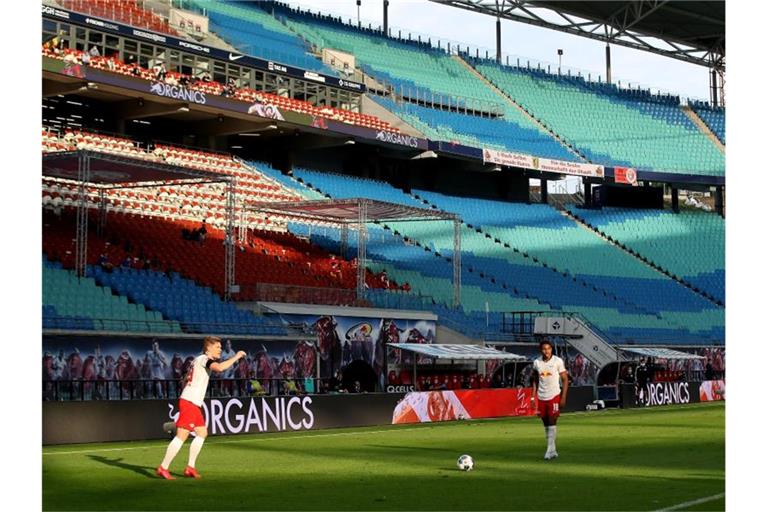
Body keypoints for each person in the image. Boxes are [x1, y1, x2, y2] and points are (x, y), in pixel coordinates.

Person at [157, 336, 246, 480]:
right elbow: (220, 368)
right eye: (218, 347)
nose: (220, 350)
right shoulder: (205, 359)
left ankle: (190, 467)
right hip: (190, 402)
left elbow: (187, 377)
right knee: (182, 436)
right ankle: (163, 467)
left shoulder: (198, 360)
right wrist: (237, 356)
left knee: (202, 433)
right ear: (209, 348)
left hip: (192, 402)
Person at [530, 339, 568, 460]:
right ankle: (553, 450)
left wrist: (563, 396)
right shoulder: (537, 362)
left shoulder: (558, 361)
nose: (547, 351)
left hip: (554, 395)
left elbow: (565, 380)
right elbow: (535, 380)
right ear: (541, 350)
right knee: (545, 422)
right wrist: (532, 396)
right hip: (542, 396)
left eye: (549, 348)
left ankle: (548, 450)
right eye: (544, 349)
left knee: (552, 419)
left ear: (552, 349)